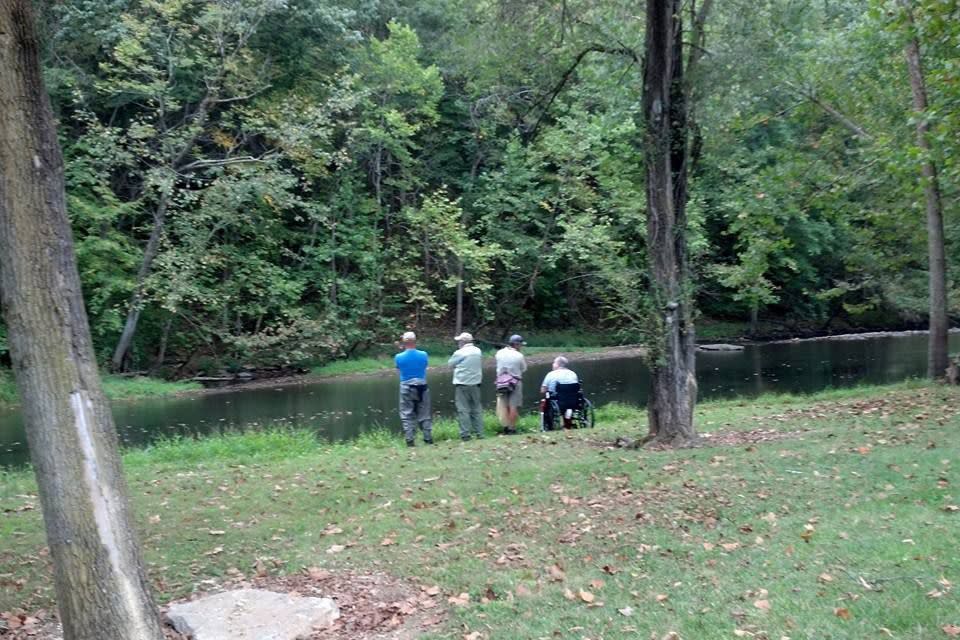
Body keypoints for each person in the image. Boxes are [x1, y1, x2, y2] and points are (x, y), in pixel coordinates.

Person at [395, 331, 432, 446]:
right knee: (424, 413)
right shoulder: (423, 354)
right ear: (415, 341)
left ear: (404, 342)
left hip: (406, 386)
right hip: (422, 386)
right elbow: (425, 366)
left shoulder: (399, 357)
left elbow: (399, 369)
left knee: (407, 413)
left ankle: (410, 440)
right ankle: (428, 438)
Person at [449, 332, 483, 441]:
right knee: (476, 409)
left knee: (463, 410)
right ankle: (479, 433)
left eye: (459, 341)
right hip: (476, 384)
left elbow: (450, 364)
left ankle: (465, 434)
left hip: (462, 384)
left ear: (463, 342)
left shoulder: (459, 352)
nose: (458, 343)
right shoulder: (478, 351)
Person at [494, 334, 527, 434]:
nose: (521, 347)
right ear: (516, 345)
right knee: (513, 406)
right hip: (515, 382)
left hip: (501, 382)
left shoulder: (499, 353)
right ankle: (512, 429)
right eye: (520, 345)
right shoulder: (519, 355)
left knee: (503, 406)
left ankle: (505, 427)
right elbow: (524, 368)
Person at [540, 356, 579, 429]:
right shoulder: (573, 374)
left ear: (557, 364)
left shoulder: (551, 374)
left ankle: (548, 425)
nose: (552, 364)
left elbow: (543, 390)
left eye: (554, 363)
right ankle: (568, 422)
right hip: (573, 402)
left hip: (558, 402)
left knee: (546, 399)